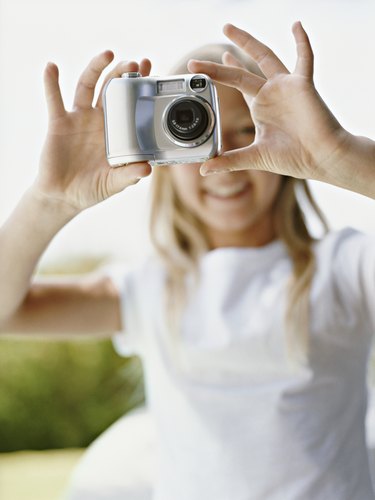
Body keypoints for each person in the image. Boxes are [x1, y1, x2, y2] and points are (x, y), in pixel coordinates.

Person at [0, 21, 374, 500]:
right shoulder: (149, 287)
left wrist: (337, 153)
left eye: (249, 134)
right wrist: (49, 202)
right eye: (196, 131)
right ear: (162, 156)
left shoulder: (344, 267)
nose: (227, 162)